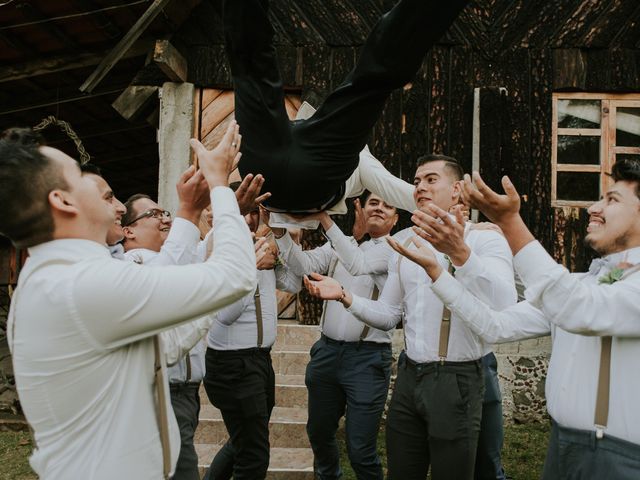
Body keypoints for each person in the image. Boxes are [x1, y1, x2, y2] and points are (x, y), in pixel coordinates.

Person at [2, 122, 257, 479]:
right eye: (78, 175)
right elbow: (237, 275)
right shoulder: (80, 284)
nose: (115, 201)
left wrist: (202, 302)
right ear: (62, 200)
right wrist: (219, 184)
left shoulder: (64, 275)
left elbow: (162, 345)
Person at [388, 159, 640, 479]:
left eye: (612, 199)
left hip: (619, 458)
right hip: (562, 447)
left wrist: (510, 223)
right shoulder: (586, 283)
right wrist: (438, 272)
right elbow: (496, 325)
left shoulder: (593, 293)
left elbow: (579, 309)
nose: (593, 207)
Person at [304, 155, 516, 480]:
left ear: (457, 190)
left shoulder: (484, 239)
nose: (420, 187)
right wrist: (345, 296)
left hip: (456, 376)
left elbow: (504, 302)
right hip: (407, 374)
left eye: (431, 180)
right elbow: (389, 314)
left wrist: (461, 253)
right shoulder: (401, 243)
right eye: (416, 182)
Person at [224, 0, 469, 213]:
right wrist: (456, 213)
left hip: (271, 177)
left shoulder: (357, 155)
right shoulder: (361, 161)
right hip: (302, 181)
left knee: (251, 67)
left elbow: (402, 192)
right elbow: (399, 191)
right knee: (250, 68)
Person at [273, 192, 398, 479]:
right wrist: (279, 231)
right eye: (373, 203)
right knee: (318, 433)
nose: (379, 208)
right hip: (327, 353)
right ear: (360, 209)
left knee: (359, 448)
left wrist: (323, 218)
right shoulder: (341, 248)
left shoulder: (393, 251)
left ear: (395, 219)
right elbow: (301, 266)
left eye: (387, 205)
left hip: (367, 359)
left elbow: (357, 264)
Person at [202, 198, 301, 480]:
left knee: (243, 441)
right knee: (254, 454)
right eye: (240, 212)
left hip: (259, 361)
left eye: (252, 212)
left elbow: (293, 284)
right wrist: (253, 267)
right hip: (233, 365)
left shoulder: (262, 247)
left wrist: (283, 246)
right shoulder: (220, 251)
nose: (247, 219)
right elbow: (225, 314)